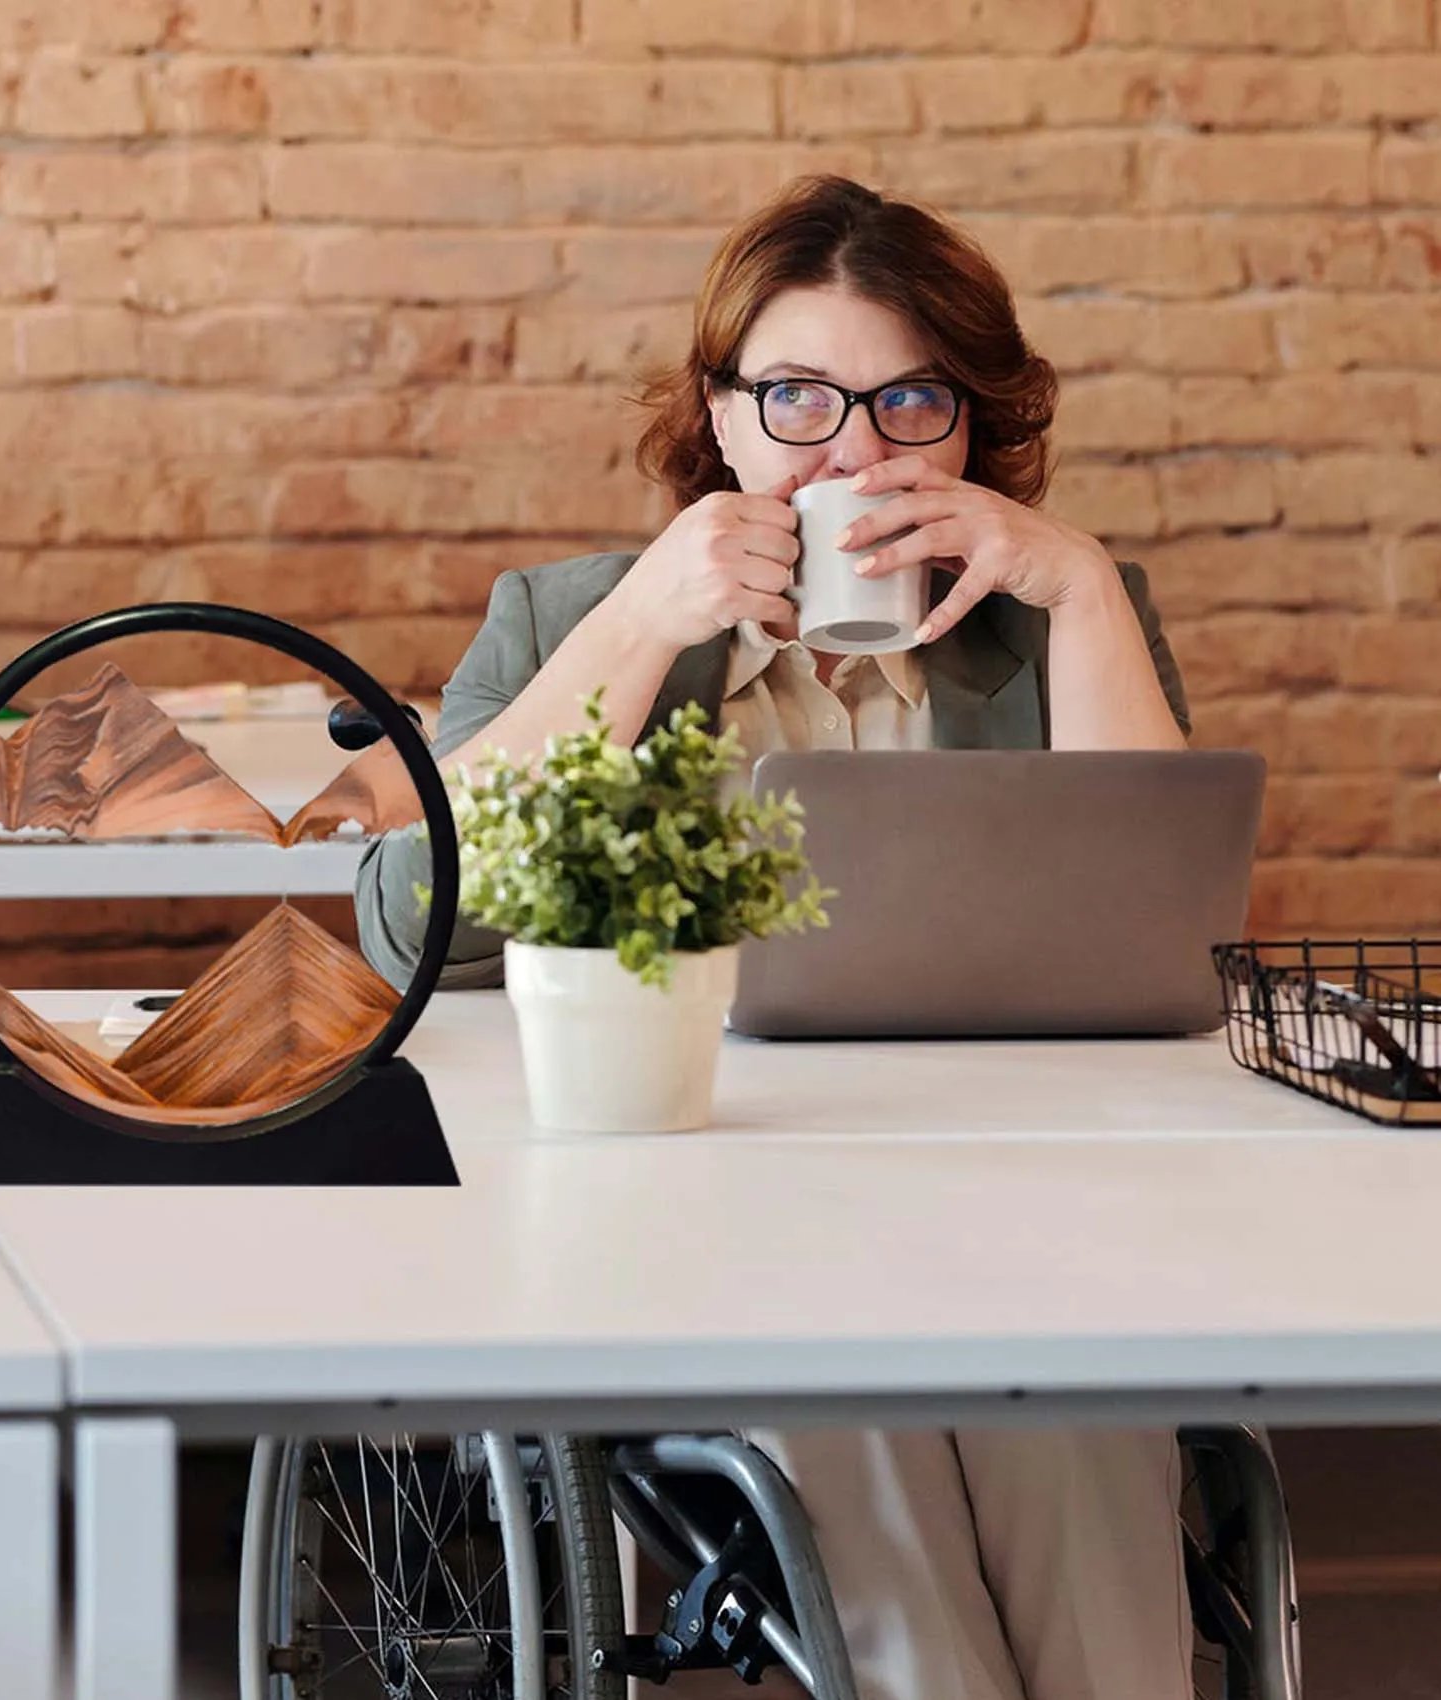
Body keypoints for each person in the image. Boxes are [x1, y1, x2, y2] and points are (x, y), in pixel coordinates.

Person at [347, 176, 1194, 1700]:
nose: (854, 448)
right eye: (798, 397)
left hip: (1023, 1223)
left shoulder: (1061, 622)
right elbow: (418, 921)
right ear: (724, 417)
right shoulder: (571, 619)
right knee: (861, 1429)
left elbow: (1171, 937)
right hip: (710, 1226)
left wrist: (1072, 585)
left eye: (910, 400)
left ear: (974, 429)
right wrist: (641, 626)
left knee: (1077, 1428)